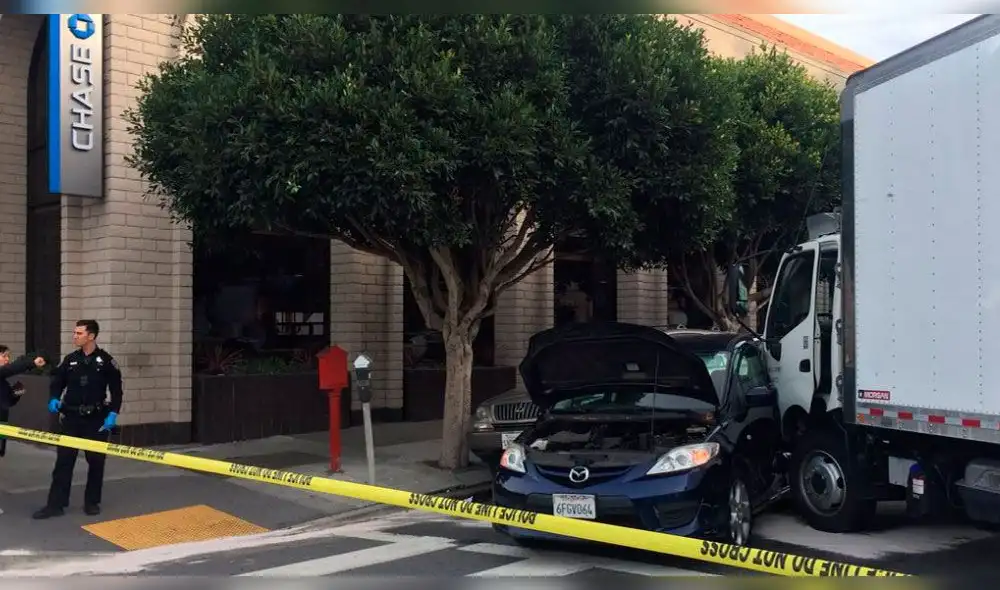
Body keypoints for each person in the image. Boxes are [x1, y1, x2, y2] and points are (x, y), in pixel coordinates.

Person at [33, 320, 123, 519]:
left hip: (96, 419)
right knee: (63, 462)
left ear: (91, 336)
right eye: (74, 332)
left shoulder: (106, 361)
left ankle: (92, 502)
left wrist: (113, 414)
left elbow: (117, 391)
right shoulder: (70, 360)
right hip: (72, 418)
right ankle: (55, 505)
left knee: (96, 461)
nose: (74, 336)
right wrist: (54, 398)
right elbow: (57, 383)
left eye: (79, 333)